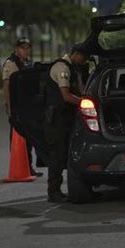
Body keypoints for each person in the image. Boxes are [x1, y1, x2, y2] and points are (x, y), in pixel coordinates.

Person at [43, 44, 90, 203]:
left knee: (66, 154)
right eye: (83, 58)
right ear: (76, 54)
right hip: (57, 120)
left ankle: (61, 190)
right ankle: (53, 192)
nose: (84, 61)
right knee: (57, 155)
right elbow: (66, 96)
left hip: (65, 119)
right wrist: (86, 103)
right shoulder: (61, 67)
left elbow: (80, 90)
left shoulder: (73, 68)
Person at [2, 38, 44, 177]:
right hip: (17, 107)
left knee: (30, 137)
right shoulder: (11, 63)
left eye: (27, 47)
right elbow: (7, 86)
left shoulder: (28, 63)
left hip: (28, 106)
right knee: (18, 137)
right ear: (16, 49)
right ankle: (21, 167)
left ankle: (28, 167)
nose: (25, 50)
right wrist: (9, 107)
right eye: (22, 48)